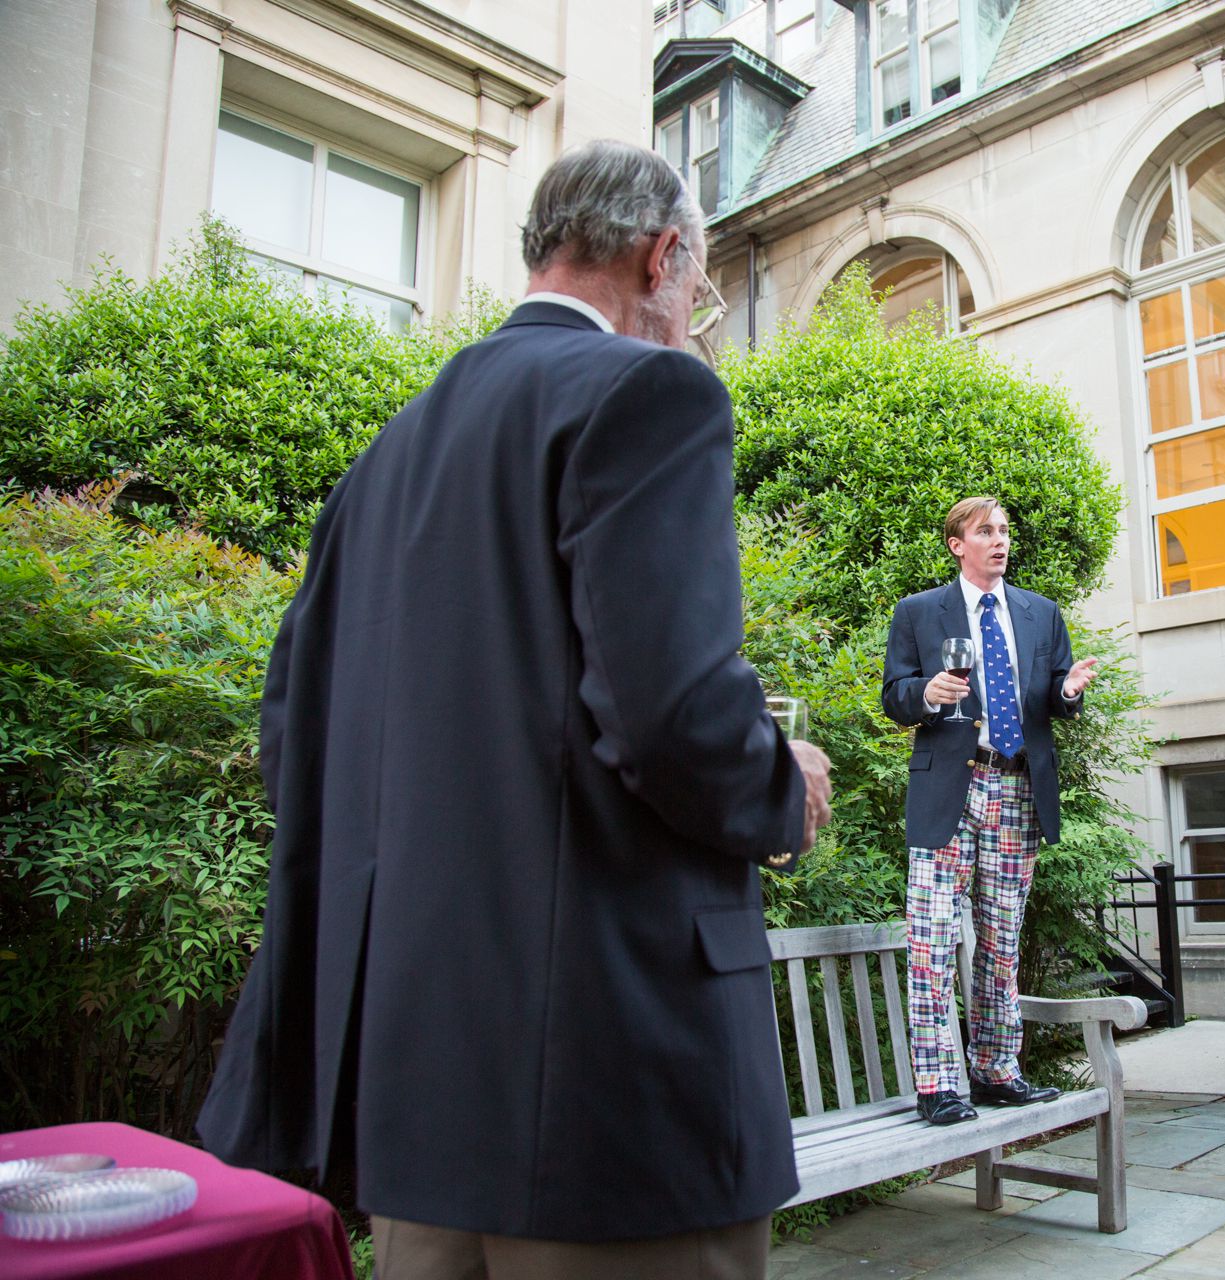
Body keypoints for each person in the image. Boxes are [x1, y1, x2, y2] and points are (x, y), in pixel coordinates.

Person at [197, 140, 833, 1280]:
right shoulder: (653, 390)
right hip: (610, 1096)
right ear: (661, 254)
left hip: (418, 1103)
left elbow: (293, 739)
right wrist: (783, 780)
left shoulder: (381, 458)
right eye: (700, 291)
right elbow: (673, 715)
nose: (698, 316)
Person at [880, 497, 1098, 1126]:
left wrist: (1068, 690)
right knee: (931, 936)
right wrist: (926, 692)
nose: (999, 541)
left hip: (1017, 790)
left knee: (1000, 943)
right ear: (958, 544)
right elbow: (895, 697)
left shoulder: (1040, 613)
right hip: (949, 786)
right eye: (985, 532)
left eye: (1004, 531)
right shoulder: (920, 612)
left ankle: (998, 1072)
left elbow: (1052, 697)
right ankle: (939, 1085)